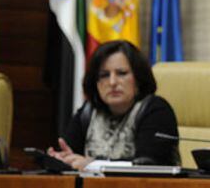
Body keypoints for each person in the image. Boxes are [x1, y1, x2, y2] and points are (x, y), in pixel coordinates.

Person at [47, 40, 180, 169]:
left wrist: (92, 165)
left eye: (121, 73)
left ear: (138, 78)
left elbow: (149, 164)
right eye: (104, 75)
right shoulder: (88, 112)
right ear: (96, 82)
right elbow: (70, 151)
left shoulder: (156, 110)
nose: (112, 82)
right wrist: (63, 159)